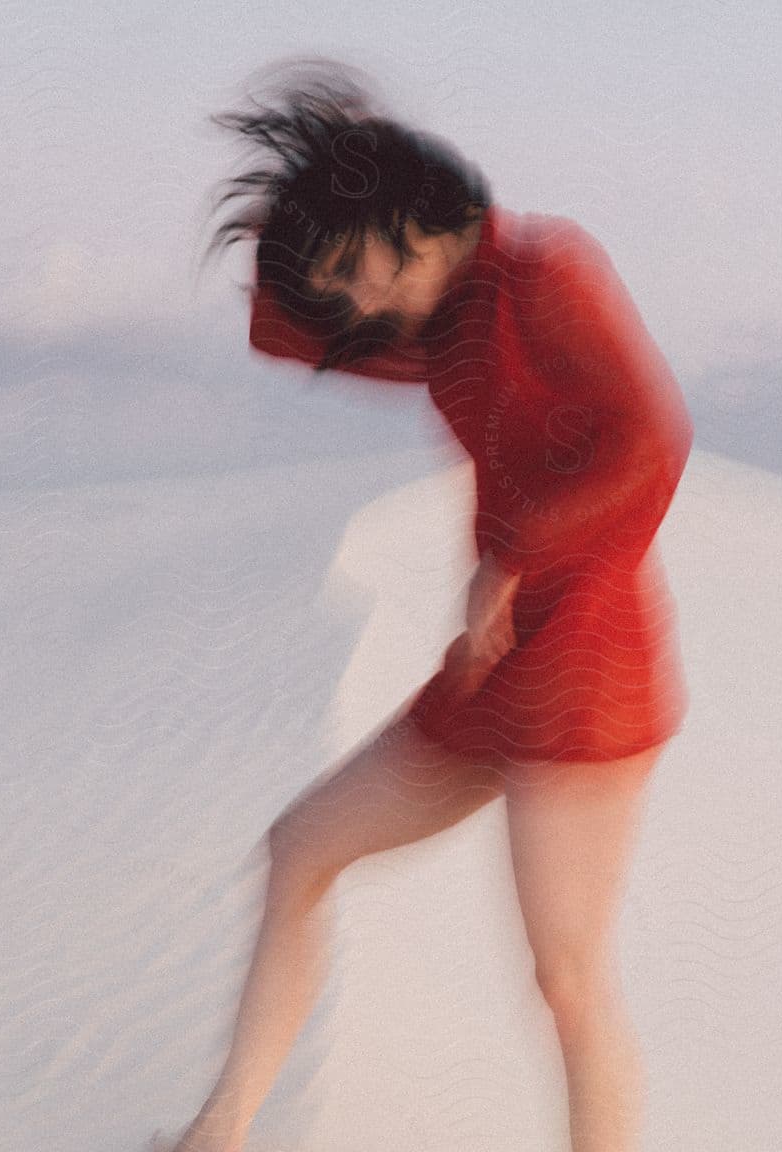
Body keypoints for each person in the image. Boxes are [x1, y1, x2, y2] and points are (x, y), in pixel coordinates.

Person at [168, 57, 693, 1152]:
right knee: (303, 847)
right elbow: (279, 330)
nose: (356, 303)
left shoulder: (545, 272)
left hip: (586, 663)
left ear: (419, 223)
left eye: (360, 268)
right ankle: (218, 1134)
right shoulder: (446, 324)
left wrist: (511, 550)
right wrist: (315, 189)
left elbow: (652, 437)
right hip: (490, 671)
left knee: (566, 981)